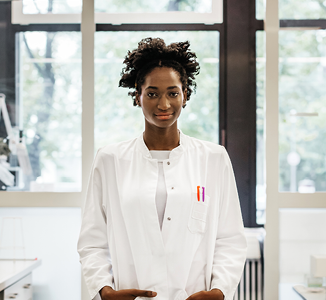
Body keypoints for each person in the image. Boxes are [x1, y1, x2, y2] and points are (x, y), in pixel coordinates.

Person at [77, 37, 247, 300]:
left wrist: (219, 291)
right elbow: (92, 240)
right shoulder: (110, 159)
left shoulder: (213, 158)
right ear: (138, 96)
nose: (164, 104)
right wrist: (104, 290)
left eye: (173, 93)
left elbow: (230, 239)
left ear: (185, 95)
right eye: (153, 93)